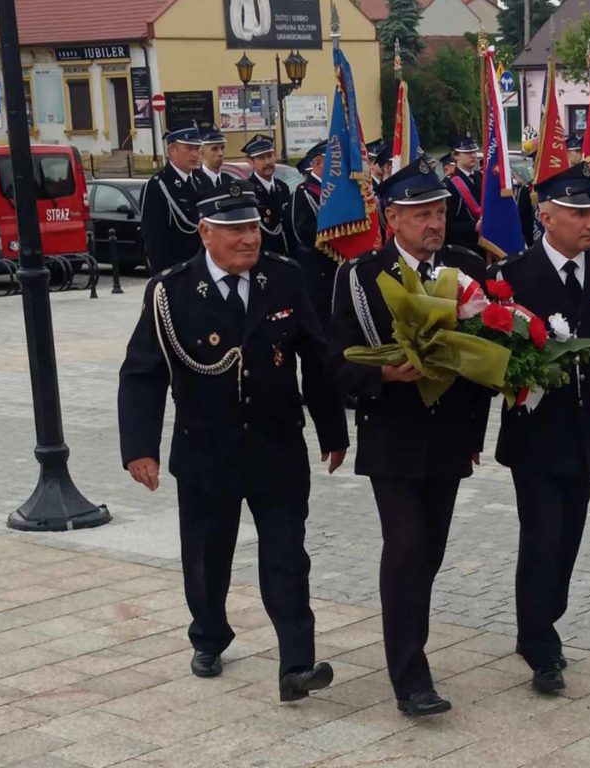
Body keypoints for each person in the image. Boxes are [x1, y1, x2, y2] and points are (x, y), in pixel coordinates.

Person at [117, 181, 348, 701]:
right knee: (207, 556)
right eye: (236, 229)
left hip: (276, 446)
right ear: (205, 233)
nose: (250, 238)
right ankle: (209, 635)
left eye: (254, 228)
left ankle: (297, 664)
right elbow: (142, 373)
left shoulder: (283, 278)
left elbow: (316, 357)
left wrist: (333, 431)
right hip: (206, 450)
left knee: (287, 556)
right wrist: (139, 448)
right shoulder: (171, 291)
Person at [327, 158, 491, 717]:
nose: (434, 223)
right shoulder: (360, 276)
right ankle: (410, 678)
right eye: (422, 214)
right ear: (391, 218)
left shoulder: (468, 267)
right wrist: (383, 376)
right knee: (405, 548)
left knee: (430, 552)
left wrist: (475, 434)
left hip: (448, 437)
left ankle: (409, 645)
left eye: (439, 212)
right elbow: (336, 362)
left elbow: (485, 357)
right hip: (392, 437)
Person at [490, 163, 590, 694]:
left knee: (568, 539)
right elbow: (493, 354)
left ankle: (541, 620)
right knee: (541, 537)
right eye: (578, 214)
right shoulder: (513, 276)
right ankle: (539, 644)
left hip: (588, 431)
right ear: (546, 216)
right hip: (535, 434)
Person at [141, 127, 203, 274]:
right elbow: (154, 239)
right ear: (171, 151)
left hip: (203, 269)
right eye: (188, 148)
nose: (195, 154)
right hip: (178, 271)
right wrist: (164, 277)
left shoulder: (201, 180)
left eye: (197, 148)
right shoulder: (158, 185)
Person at [291, 140, 338, 327]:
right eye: (331, 162)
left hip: (336, 263)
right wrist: (333, 235)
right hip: (317, 265)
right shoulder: (304, 193)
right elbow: (301, 231)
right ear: (317, 164)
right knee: (321, 317)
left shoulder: (335, 190)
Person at [242, 134, 291, 256]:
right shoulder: (247, 191)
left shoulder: (282, 187)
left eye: (270, 156)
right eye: (261, 158)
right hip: (262, 255)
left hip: (285, 254)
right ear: (251, 162)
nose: (268, 162)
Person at [444, 134, 482, 253]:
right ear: (456, 156)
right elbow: (448, 225)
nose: (473, 155)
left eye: (474, 152)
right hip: (464, 248)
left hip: (486, 245)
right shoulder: (450, 185)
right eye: (467, 153)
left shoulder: (482, 178)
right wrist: (474, 226)